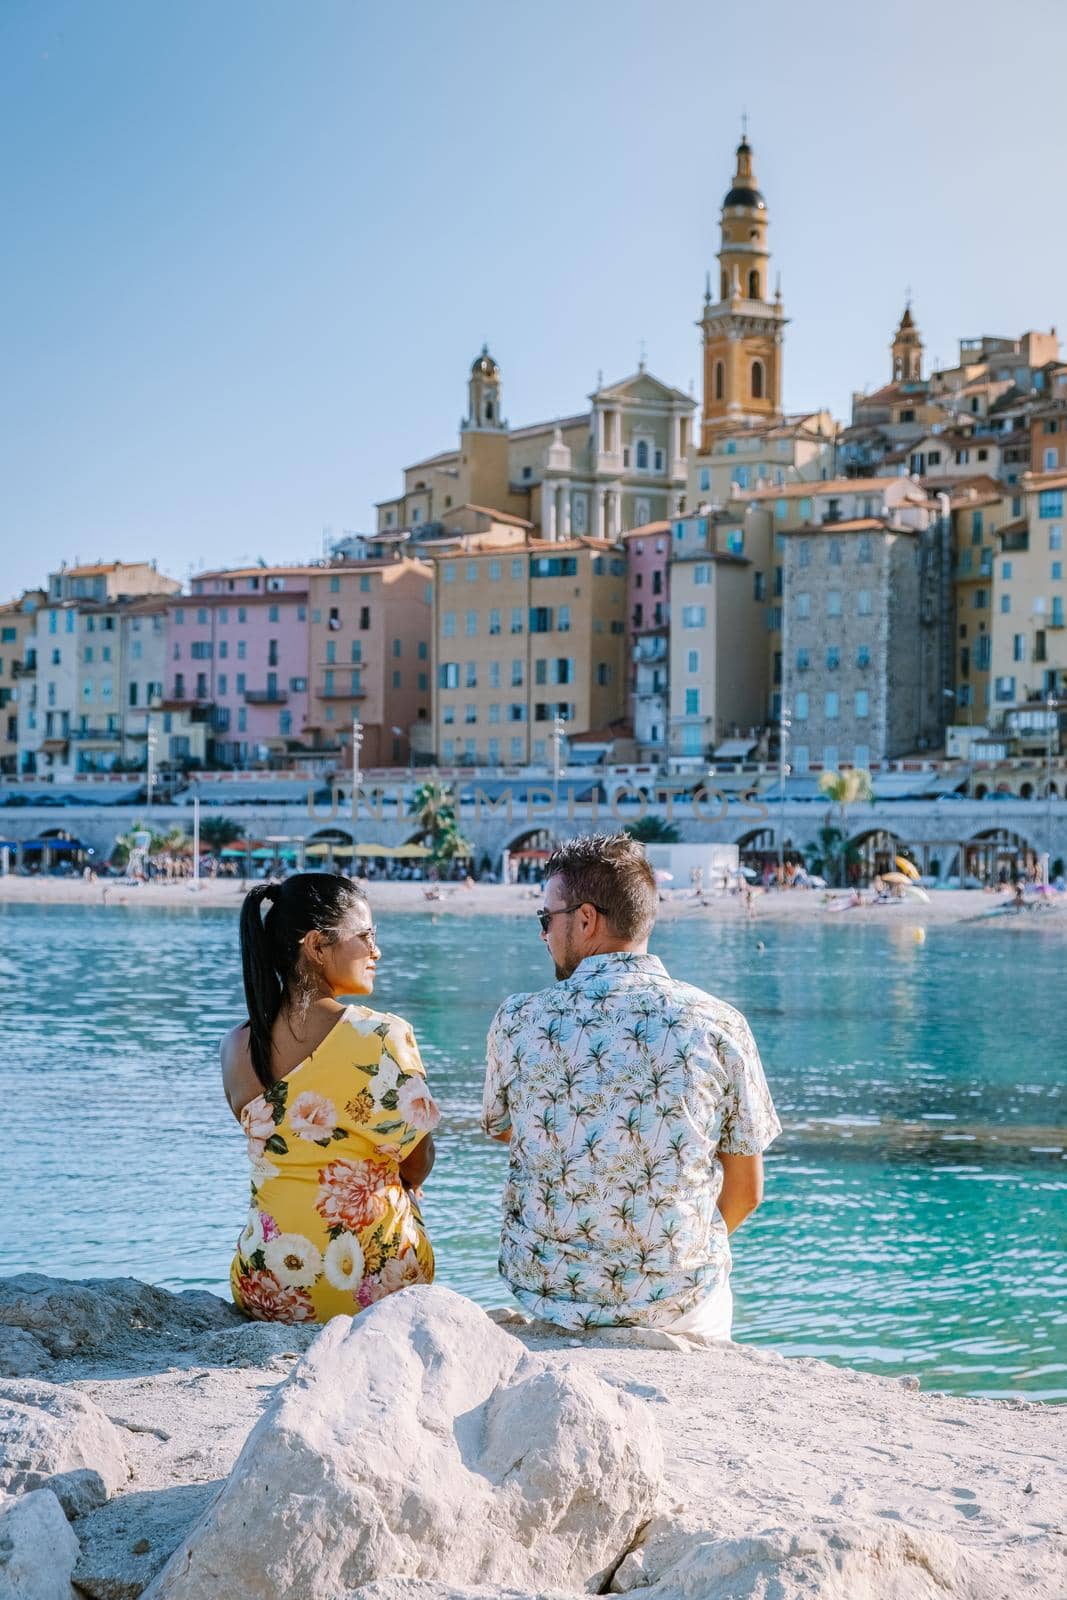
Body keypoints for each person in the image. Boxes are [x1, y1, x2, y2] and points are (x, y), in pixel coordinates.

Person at [482, 832, 780, 1338]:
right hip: (680, 1302)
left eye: (545, 919)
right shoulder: (719, 1024)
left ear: (585, 919)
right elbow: (747, 1191)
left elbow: (506, 1130)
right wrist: (662, 1260)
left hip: (550, 1295)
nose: (543, 935)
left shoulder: (518, 1018)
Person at [221, 872, 438, 1324]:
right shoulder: (382, 1036)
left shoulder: (236, 1046)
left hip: (267, 1285)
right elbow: (417, 1162)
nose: (376, 951)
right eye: (366, 937)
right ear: (317, 946)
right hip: (376, 1284)